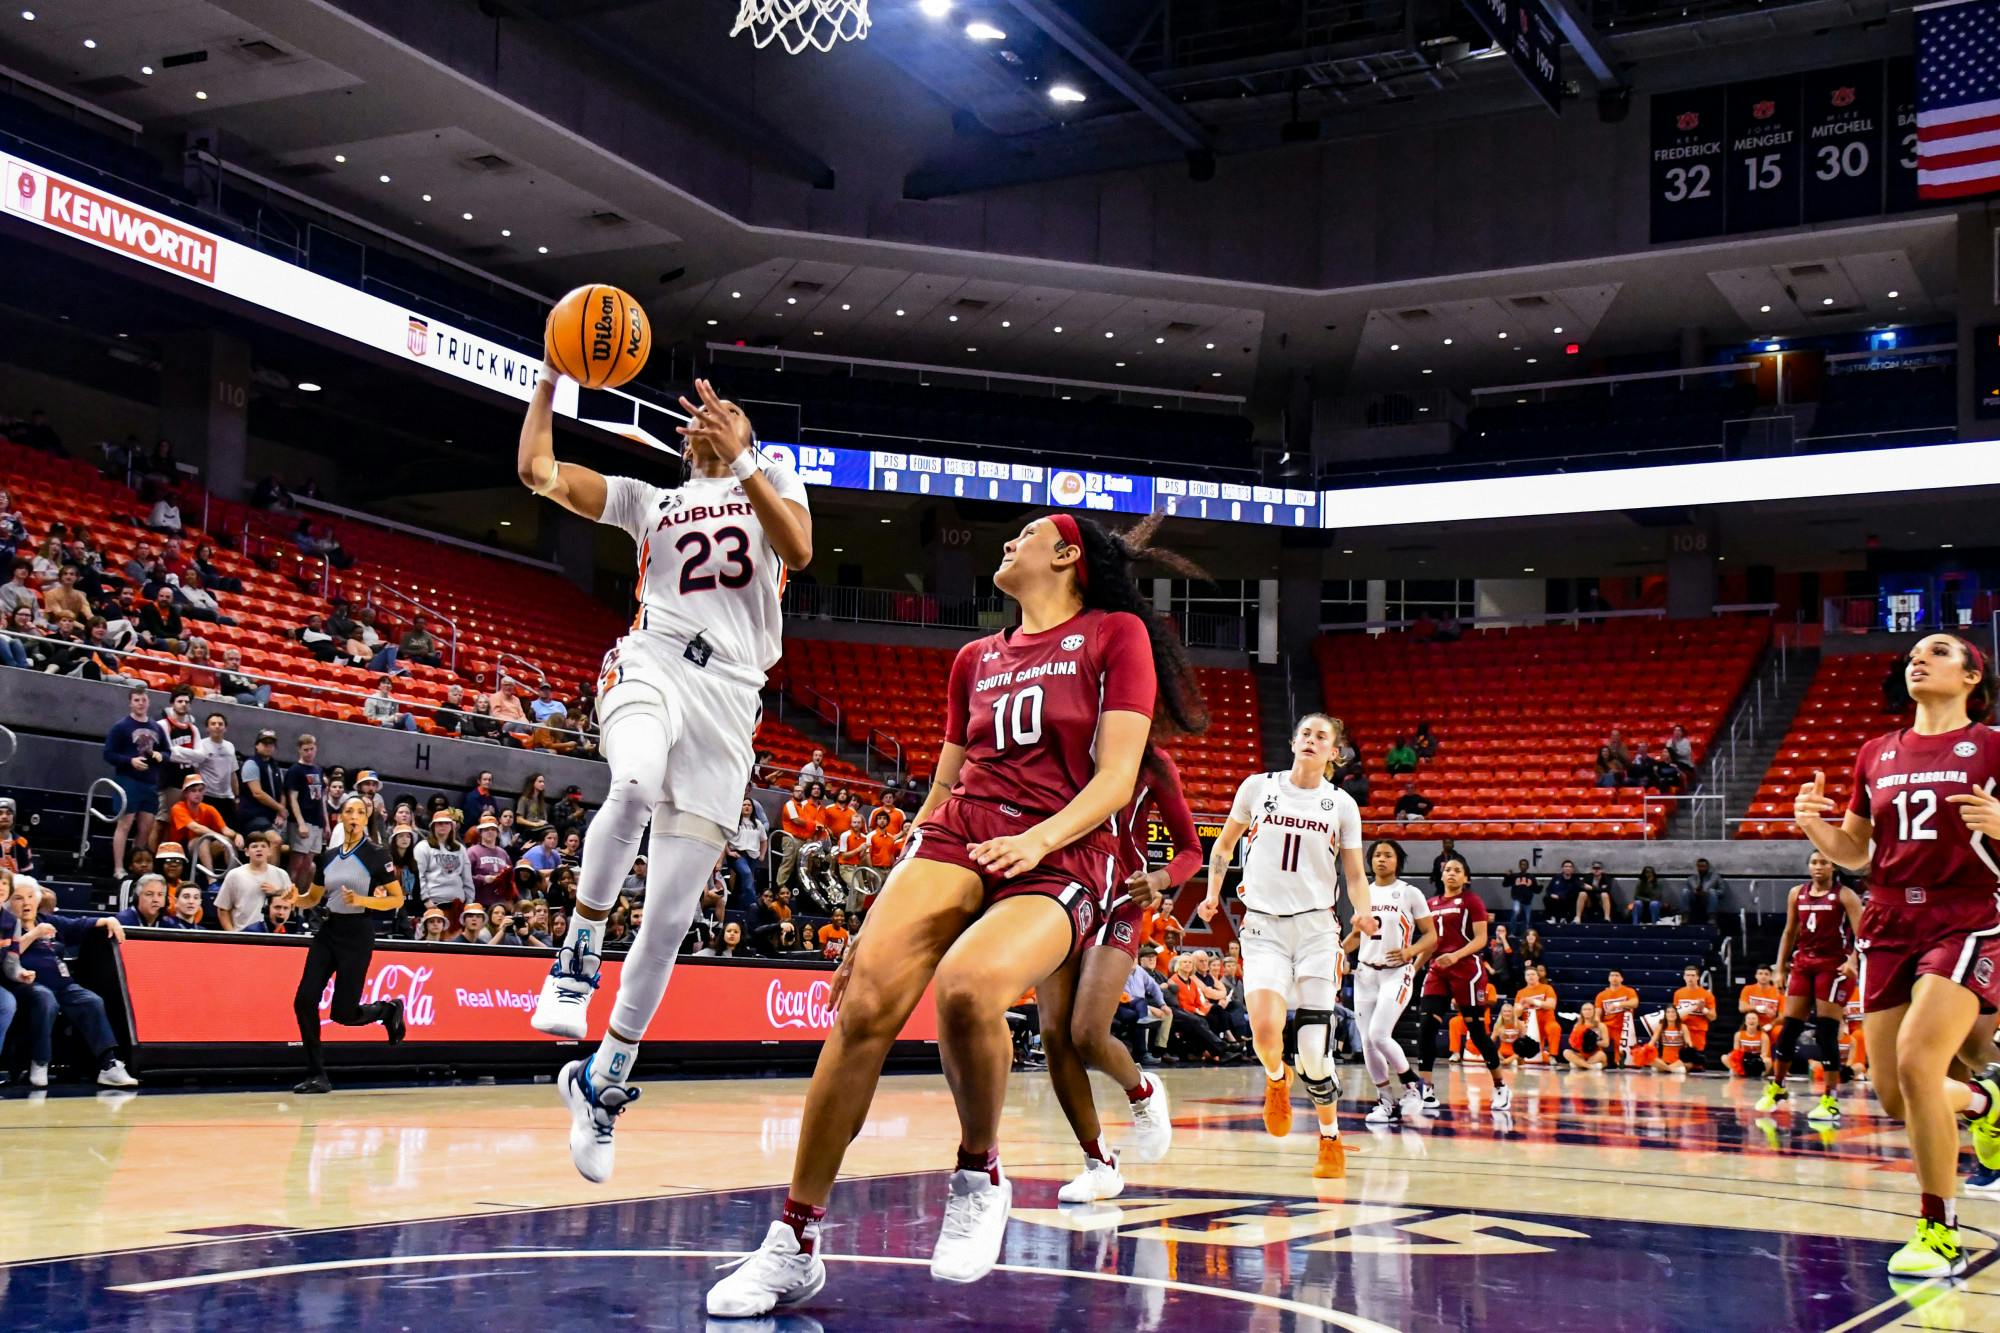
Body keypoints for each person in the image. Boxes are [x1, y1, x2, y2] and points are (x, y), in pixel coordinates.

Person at [710, 509, 1202, 1314]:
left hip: (1066, 850)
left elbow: (1116, 780)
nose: (1006, 542)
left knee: (970, 989)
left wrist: (1038, 838)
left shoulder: (1116, 634)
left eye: (1026, 535)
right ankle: (794, 1239)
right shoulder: (975, 658)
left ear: (1068, 554)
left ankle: (979, 1173)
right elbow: (941, 790)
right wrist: (872, 917)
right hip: (960, 833)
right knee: (864, 999)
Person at [517, 371, 813, 1178]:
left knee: (671, 921)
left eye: (728, 409)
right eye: (701, 415)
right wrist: (548, 379)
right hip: (652, 661)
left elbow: (799, 549)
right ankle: (576, 956)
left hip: (731, 699)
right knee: (635, 782)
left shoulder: (776, 483)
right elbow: (539, 474)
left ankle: (602, 1079)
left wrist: (745, 456)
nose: (708, 421)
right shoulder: (652, 500)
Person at [1793, 633, 2000, 1279]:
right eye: (1913, 652)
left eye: (1938, 651)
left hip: (1965, 913)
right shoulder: (1875, 751)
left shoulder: (1994, 746)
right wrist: (1813, 825)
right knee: (1893, 1093)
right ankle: (1987, 1102)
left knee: (1917, 1060)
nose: (1919, 657)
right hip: (1887, 915)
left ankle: (1939, 1230)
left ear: (1972, 676)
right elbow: (1856, 850)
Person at [1201, 713, 1372, 1180]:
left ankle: (1330, 1138)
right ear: (1294, 740)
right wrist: (1213, 891)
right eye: (1306, 733)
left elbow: (1354, 874)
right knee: (1264, 1032)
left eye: (1323, 737)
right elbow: (1223, 847)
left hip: (1317, 931)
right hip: (1263, 927)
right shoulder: (1258, 788)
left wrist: (1363, 909)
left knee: (1315, 1051)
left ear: (1334, 752)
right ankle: (1277, 1079)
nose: (1313, 740)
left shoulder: (1341, 805)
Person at [1037, 746, 1200, 1203]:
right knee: (1053, 1034)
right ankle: (1098, 1164)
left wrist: (1162, 879)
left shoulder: (1152, 761)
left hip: (1119, 899)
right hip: (1054, 890)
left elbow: (1190, 850)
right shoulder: (1054, 741)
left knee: (1087, 1033)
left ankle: (1144, 1092)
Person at [288, 795, 409, 1093]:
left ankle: (387, 1010)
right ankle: (317, 1074)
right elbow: (314, 898)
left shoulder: (377, 855)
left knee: (343, 1014)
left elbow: (397, 899)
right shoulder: (326, 857)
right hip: (328, 931)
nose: (353, 816)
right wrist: (296, 899)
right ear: (340, 817)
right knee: (303, 1001)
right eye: (348, 811)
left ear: (366, 819)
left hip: (357, 934)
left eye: (359, 812)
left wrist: (363, 900)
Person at [5, 869, 139, 1088]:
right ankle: (40, 1062)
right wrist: (34, 934)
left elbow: (79, 924)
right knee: (45, 999)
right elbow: (8, 955)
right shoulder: (8, 925)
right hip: (27, 984)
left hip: (62, 985)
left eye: (30, 897)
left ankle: (109, 1065)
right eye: (19, 898)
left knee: (91, 1000)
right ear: (10, 902)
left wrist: (107, 920)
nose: (26, 903)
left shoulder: (49, 920)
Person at [1758, 850, 1866, 1122]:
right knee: (1789, 1028)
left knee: (1826, 1033)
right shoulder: (1797, 893)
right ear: (1808, 866)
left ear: (1833, 866)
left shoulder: (1845, 896)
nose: (1818, 867)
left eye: (1824, 862)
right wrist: (1780, 967)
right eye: (1814, 862)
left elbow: (1864, 932)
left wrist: (1853, 960)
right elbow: (1789, 931)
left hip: (1834, 966)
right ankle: (1778, 1087)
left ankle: (1830, 1099)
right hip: (1804, 964)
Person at [1346, 839, 1437, 1127]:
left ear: (1398, 861)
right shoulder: (1363, 894)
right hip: (1365, 973)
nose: (1381, 859)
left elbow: (1431, 937)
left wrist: (1410, 952)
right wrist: (1336, 952)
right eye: (1376, 855)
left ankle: (1412, 1088)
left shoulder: (1410, 893)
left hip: (1396, 972)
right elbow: (1356, 937)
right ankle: (1386, 1100)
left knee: (1379, 1034)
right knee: (1367, 1042)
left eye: (1388, 855)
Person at [1414, 857, 1510, 1113]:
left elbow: (1481, 940)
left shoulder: (1472, 901)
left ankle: (1500, 1085)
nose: (1452, 873)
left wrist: (1455, 955)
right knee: (1425, 1027)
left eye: (1458, 870)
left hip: (1467, 969)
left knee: (1476, 1031)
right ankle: (1427, 1089)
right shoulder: (1431, 904)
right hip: (1438, 969)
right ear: (1441, 876)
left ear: (1466, 878)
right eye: (1448, 870)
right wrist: (1413, 968)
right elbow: (1430, 942)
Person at [102, 687, 163, 875]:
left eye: (143, 700)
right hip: (128, 780)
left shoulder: (156, 727)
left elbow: (167, 751)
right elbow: (108, 753)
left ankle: (137, 866)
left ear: (148, 702)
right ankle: (119, 867)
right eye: (137, 700)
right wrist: (130, 761)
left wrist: (162, 755)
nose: (140, 703)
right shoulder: (121, 727)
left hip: (150, 782)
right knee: (125, 824)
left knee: (145, 829)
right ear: (130, 702)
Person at [215, 830, 292, 930]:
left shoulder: (281, 874)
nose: (259, 850)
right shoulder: (235, 875)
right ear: (246, 852)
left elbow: (292, 903)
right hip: (243, 934)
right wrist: (233, 935)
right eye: (254, 846)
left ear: (269, 851)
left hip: (273, 936)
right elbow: (222, 909)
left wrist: (277, 892)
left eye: (263, 846)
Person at [283, 734, 327, 890]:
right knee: (297, 863)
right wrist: (300, 823)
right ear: (299, 750)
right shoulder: (295, 770)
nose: (309, 752)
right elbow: (292, 798)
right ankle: (287, 896)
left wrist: (326, 824)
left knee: (308, 864)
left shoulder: (318, 770)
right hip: (303, 820)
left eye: (312, 749)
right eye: (306, 749)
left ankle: (300, 901)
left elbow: (322, 798)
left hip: (317, 821)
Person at [416, 811, 473, 930]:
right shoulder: (423, 846)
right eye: (439, 823)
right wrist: (426, 901)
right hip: (433, 905)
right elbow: (419, 876)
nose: (442, 826)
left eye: (446, 823)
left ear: (452, 826)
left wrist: (469, 903)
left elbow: (467, 878)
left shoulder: (460, 848)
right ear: (433, 826)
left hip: (457, 905)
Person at [1670, 965, 1717, 1071]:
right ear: (1684, 977)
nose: (1690, 978)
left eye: (1692, 975)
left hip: (1697, 1031)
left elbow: (1713, 1017)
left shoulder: (1706, 995)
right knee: (1680, 1058)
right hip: (1681, 1030)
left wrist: (1703, 1009)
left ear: (1698, 977)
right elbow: (1674, 1013)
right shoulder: (1678, 993)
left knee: (1696, 1064)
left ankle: (1676, 1068)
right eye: (1687, 975)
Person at [1514, 963, 1561, 1064]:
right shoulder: (1521, 993)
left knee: (1554, 1028)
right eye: (1528, 975)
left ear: (1538, 976)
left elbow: (1551, 1005)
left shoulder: (1547, 988)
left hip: (1547, 1020)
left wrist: (1534, 1002)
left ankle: (1553, 1055)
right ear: (1525, 977)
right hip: (1530, 1024)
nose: (1530, 976)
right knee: (1535, 1053)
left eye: (1533, 974)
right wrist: (1522, 1007)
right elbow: (1516, 1013)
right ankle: (1527, 1056)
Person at [1594, 970, 1640, 1065]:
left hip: (1623, 1026)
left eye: (1617, 975)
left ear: (1622, 979)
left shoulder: (1629, 991)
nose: (1614, 977)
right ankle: (1599, 1060)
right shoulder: (1601, 995)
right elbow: (1597, 1013)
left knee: (1621, 1057)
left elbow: (1635, 1003)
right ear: (1608, 978)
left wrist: (1617, 1004)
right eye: (1612, 975)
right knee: (1596, 1037)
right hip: (1607, 1026)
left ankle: (1620, 1061)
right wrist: (1597, 1024)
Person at [1565, 1002, 1611, 1070]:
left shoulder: (1601, 1025)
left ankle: (1580, 1065)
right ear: (1582, 1012)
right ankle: (1589, 1066)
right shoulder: (1577, 1025)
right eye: (1585, 1009)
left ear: (1594, 1011)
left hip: (1595, 1053)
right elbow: (1571, 1042)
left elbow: (1606, 1043)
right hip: (1581, 1053)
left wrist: (1592, 1042)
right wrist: (1580, 1043)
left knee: (1601, 1055)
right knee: (1566, 1052)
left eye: (1589, 1009)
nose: (1587, 1011)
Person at [1684, 857, 1722, 925]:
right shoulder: (1692, 878)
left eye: (1703, 866)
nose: (1701, 868)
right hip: (1695, 899)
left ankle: (1712, 918)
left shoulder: (1715, 877)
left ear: (1708, 867)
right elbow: (1686, 893)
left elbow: (1722, 891)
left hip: (1708, 900)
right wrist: (1695, 892)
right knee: (1685, 891)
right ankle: (1685, 916)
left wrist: (1711, 893)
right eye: (1699, 866)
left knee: (1712, 891)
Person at [1505, 858, 1537, 934]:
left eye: (1525, 864)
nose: (1523, 866)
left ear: (1528, 866)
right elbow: (1505, 884)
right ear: (1519, 866)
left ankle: (1527, 935)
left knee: (1528, 918)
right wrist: (1507, 876)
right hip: (1517, 899)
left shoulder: (1531, 877)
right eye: (1522, 864)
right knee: (1516, 912)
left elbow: (1535, 889)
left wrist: (1540, 888)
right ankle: (1512, 933)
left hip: (1527, 901)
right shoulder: (1514, 876)